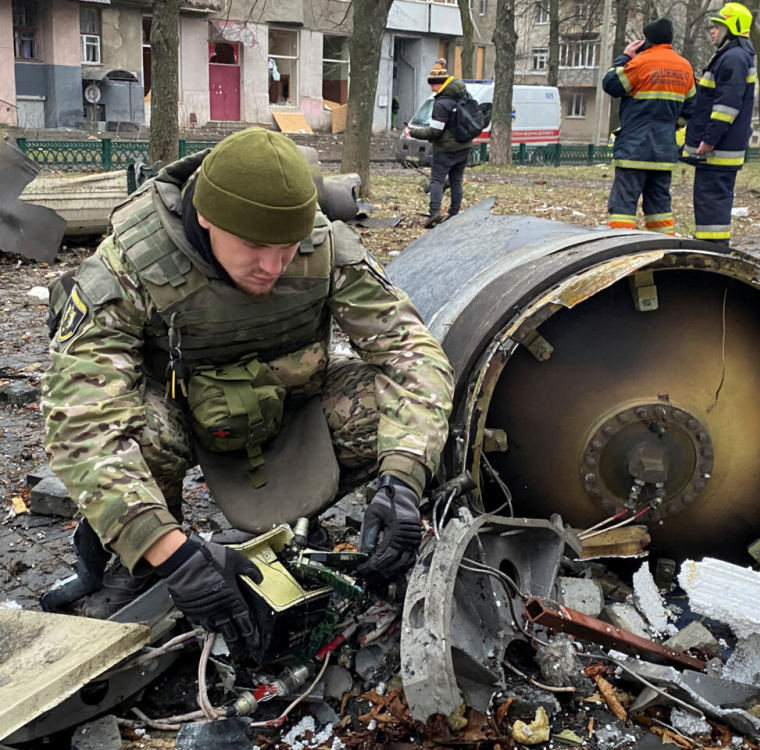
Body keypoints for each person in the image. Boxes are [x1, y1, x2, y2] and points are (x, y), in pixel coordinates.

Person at [42, 128, 455, 652]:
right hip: (181, 416)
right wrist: (166, 549)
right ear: (208, 219)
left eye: (287, 247)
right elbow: (81, 418)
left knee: (393, 412)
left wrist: (404, 479)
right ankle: (139, 562)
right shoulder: (131, 264)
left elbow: (411, 353)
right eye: (256, 247)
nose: (273, 267)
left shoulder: (323, 247)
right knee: (138, 431)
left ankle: (300, 531)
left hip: (287, 404)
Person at [602, 18, 695, 235]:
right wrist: (671, 127)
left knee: (624, 205)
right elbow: (690, 109)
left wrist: (624, 57)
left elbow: (611, 84)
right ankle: (663, 248)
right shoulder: (685, 67)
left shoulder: (642, 63)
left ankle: (621, 243)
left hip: (635, 146)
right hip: (664, 149)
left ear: (646, 41)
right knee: (660, 207)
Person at [682, 2, 756, 245]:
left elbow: (727, 106)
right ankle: (710, 244)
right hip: (722, 148)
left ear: (732, 28)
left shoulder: (733, 57)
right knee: (711, 201)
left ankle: (711, 248)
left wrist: (709, 140)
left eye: (717, 26)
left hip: (718, 150)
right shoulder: (735, 55)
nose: (712, 31)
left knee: (711, 201)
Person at [409, 59, 474, 228]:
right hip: (464, 146)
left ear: (441, 83)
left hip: (445, 150)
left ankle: (434, 213)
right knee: (456, 181)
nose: (432, 88)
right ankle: (454, 214)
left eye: (434, 85)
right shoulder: (464, 95)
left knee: (437, 180)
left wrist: (413, 132)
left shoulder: (441, 103)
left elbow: (435, 132)